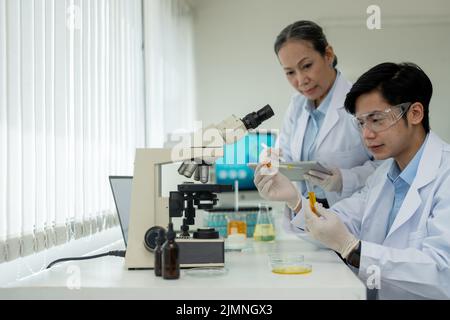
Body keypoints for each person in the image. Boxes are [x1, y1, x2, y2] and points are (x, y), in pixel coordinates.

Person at [257, 62, 450, 299]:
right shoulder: (382, 176)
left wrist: (354, 249)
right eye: (361, 123)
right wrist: (295, 200)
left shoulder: (445, 174)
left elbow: (443, 273)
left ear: (415, 113)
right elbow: (338, 223)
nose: (367, 134)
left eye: (377, 119)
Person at [269, 20, 377, 217]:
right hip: (306, 216)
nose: (301, 80)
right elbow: (285, 156)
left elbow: (387, 165)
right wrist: (272, 162)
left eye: (307, 66)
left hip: (354, 218)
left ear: (328, 55)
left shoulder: (360, 103)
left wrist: (346, 179)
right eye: (290, 72)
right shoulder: (297, 105)